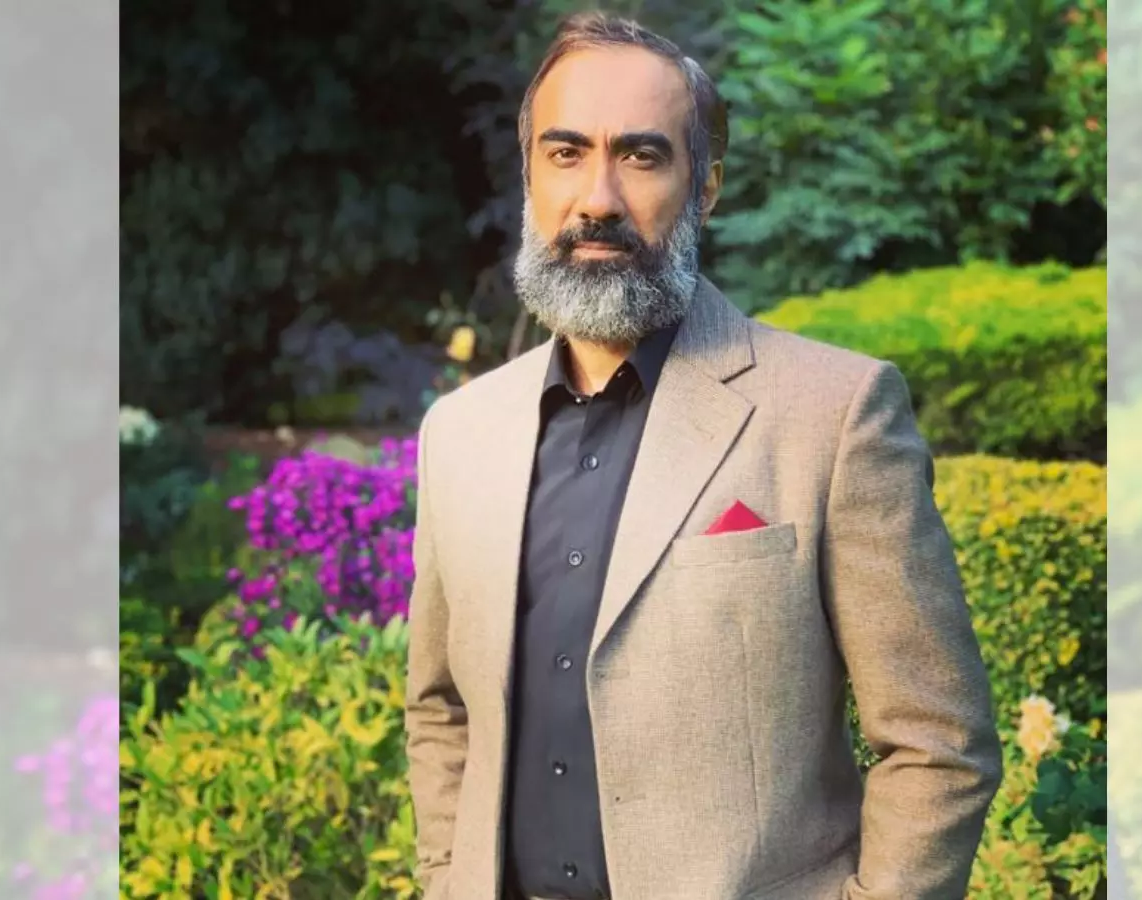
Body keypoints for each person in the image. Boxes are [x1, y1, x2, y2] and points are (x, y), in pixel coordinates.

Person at [404, 11, 1002, 900]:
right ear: (529, 172)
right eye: (566, 153)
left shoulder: (835, 414)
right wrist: (448, 879)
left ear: (705, 187)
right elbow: (441, 709)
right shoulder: (459, 433)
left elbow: (937, 743)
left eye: (641, 156)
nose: (598, 198)